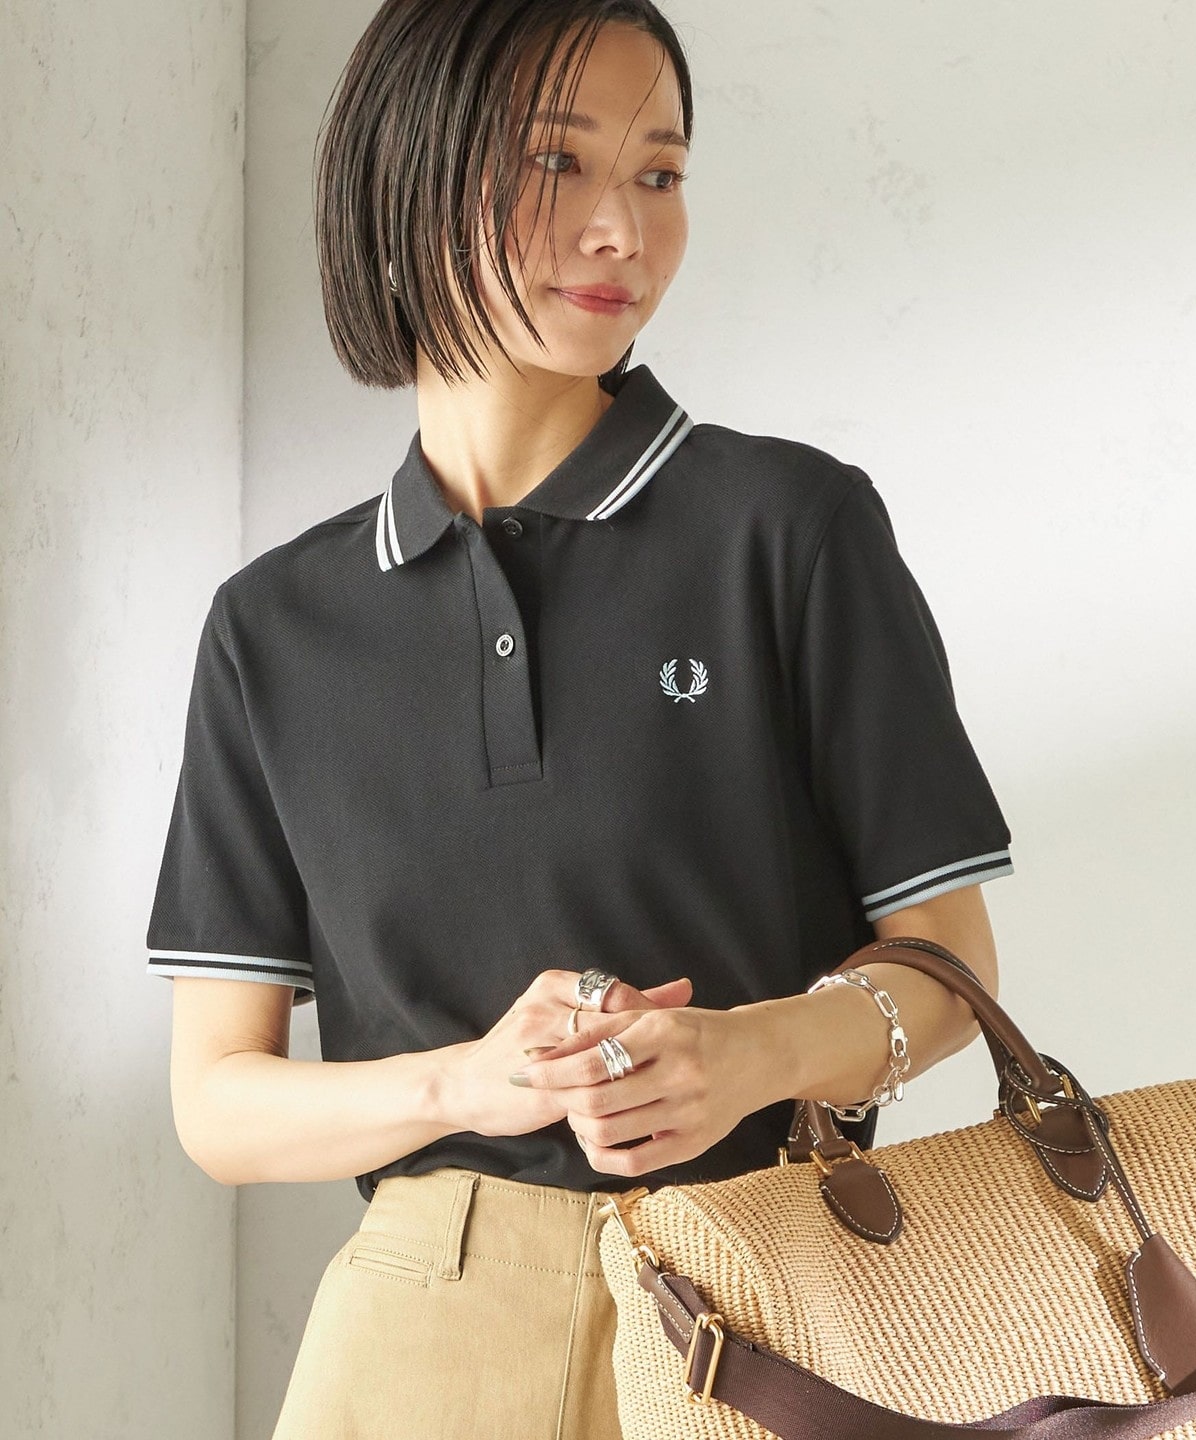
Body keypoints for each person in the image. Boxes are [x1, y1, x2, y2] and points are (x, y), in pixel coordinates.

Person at [145, 1, 1014, 1435]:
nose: (625, 230)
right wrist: (465, 1084)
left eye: (660, 173)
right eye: (558, 162)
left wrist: (751, 1053)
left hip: (773, 1302)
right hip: (419, 1329)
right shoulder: (274, 628)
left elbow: (951, 965)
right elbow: (219, 1104)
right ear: (408, 174)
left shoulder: (787, 530)